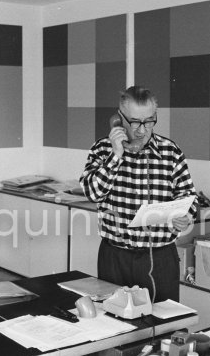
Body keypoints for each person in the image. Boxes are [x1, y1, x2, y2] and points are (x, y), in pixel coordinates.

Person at [79, 86, 197, 302]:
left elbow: (188, 196)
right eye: (134, 122)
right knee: (114, 322)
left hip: (160, 256)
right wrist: (115, 156)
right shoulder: (101, 150)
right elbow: (92, 193)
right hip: (115, 256)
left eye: (149, 121)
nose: (142, 130)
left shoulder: (171, 152)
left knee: (164, 323)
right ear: (119, 118)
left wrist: (186, 216)